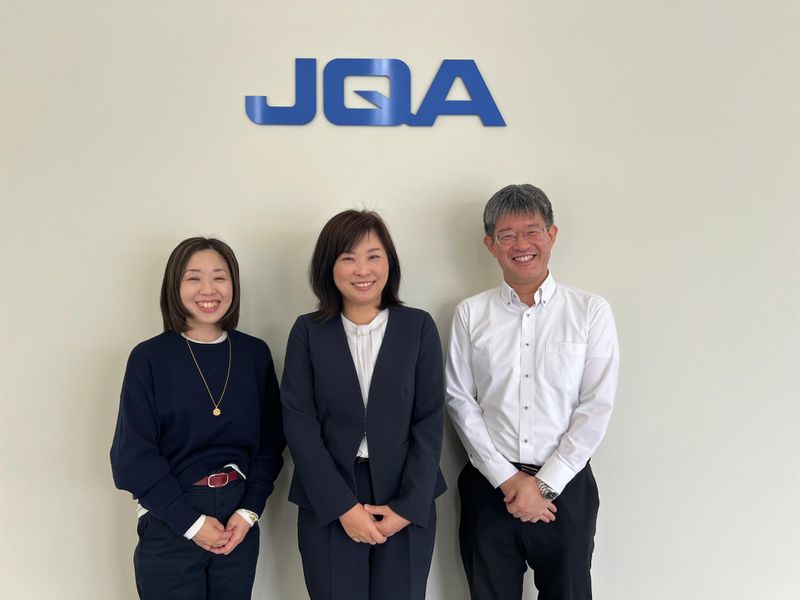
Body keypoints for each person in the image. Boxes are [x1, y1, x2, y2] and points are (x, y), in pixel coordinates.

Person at [446, 184, 620, 600]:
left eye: (532, 231)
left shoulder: (590, 311)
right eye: (507, 235)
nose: (521, 245)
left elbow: (596, 405)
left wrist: (544, 484)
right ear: (490, 244)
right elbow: (459, 399)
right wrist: (507, 479)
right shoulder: (470, 313)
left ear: (552, 235)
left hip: (566, 488)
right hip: (489, 487)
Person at [281, 209, 446, 600]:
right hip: (329, 495)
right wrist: (343, 507)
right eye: (348, 257)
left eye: (374, 256)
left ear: (390, 262)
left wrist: (407, 507)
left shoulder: (418, 327)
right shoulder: (308, 331)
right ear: (329, 266)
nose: (362, 269)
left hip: (406, 495)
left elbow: (430, 420)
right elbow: (299, 423)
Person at [110, 237, 285, 600]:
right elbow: (132, 459)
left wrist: (249, 511)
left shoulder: (254, 354)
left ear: (233, 284)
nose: (208, 289)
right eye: (193, 278)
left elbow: (271, 444)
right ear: (174, 286)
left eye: (219, 277)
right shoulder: (149, 358)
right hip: (171, 517)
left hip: (238, 518)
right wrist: (191, 524)